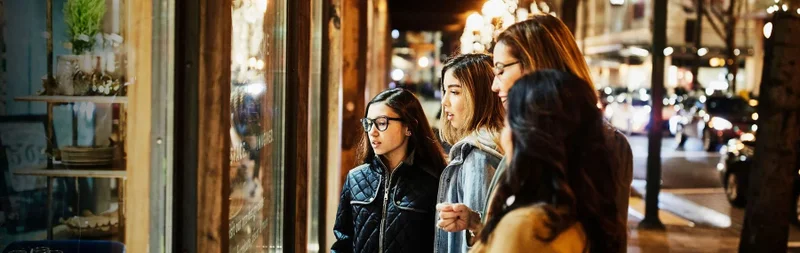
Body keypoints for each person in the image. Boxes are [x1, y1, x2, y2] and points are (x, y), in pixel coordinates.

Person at [437, 14, 633, 250]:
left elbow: (600, 238)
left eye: (500, 70)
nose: (494, 85)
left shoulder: (604, 142)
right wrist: (477, 222)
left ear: (533, 65)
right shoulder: (526, 137)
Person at [471, 70, 626, 253]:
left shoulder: (526, 227)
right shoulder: (586, 217)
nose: (505, 135)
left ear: (529, 138)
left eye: (508, 123)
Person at [331, 88, 448, 253]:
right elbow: (343, 241)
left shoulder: (433, 181)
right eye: (368, 123)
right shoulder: (355, 178)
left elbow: (441, 245)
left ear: (409, 127)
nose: (372, 131)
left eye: (381, 123)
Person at [434, 54, 505, 253]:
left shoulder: (477, 155)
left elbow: (476, 241)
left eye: (455, 92)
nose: (445, 102)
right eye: (445, 91)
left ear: (479, 95)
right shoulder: (491, 145)